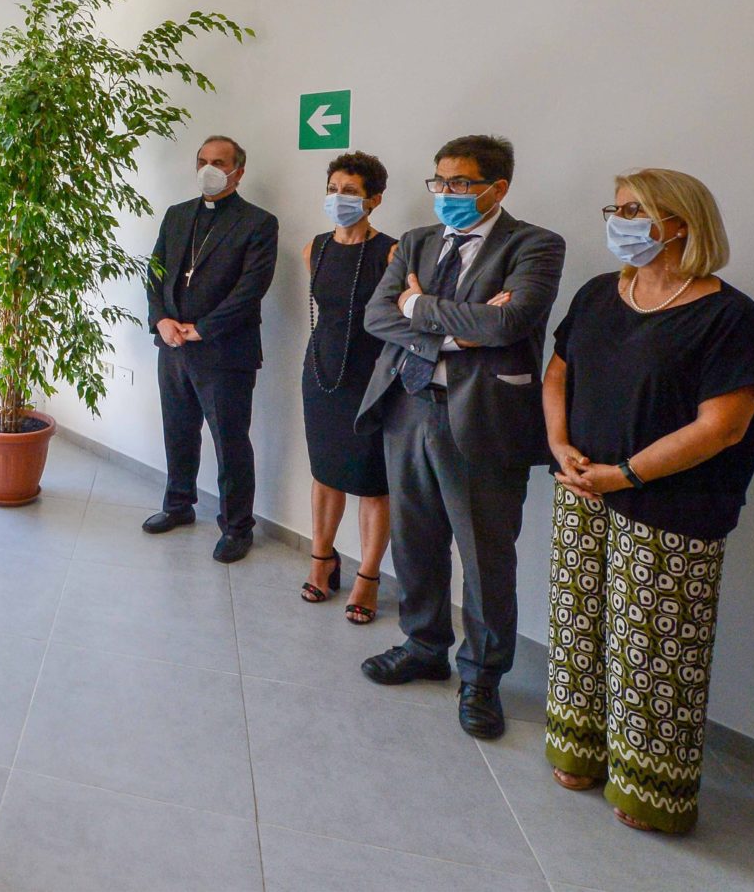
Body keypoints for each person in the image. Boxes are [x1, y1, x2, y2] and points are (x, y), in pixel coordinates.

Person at [543, 169, 754, 834]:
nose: (620, 222)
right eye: (615, 209)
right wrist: (559, 445)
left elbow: (722, 427)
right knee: (578, 628)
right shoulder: (598, 294)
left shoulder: (730, 318)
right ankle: (578, 751)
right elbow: (558, 375)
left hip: (673, 509)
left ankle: (649, 789)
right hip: (583, 489)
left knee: (654, 650)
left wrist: (624, 475)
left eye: (635, 210)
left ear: (680, 223)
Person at [355, 134, 564, 740]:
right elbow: (377, 315)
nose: (446, 192)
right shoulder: (416, 241)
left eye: (461, 183)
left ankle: (482, 677)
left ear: (497, 188)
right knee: (414, 540)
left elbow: (509, 322)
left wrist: (419, 307)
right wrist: (455, 331)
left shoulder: (535, 245)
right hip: (407, 404)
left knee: (484, 555)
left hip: (483, 418)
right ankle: (424, 646)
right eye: (440, 181)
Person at [142, 135, 279, 564]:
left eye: (219, 162)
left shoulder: (258, 223)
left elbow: (251, 289)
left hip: (225, 351)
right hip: (173, 345)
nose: (208, 169)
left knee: (229, 442)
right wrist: (161, 320)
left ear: (239, 171)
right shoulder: (178, 214)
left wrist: (203, 329)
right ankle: (178, 504)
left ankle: (237, 527)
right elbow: (155, 273)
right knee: (177, 430)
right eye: (202, 160)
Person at [299, 151, 397, 623]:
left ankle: (368, 577)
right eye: (333, 189)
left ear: (374, 199)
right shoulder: (314, 248)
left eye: (350, 191)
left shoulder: (392, 252)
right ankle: (322, 559)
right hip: (321, 370)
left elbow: (402, 317)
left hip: (373, 375)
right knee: (325, 472)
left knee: (373, 481)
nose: (338, 198)